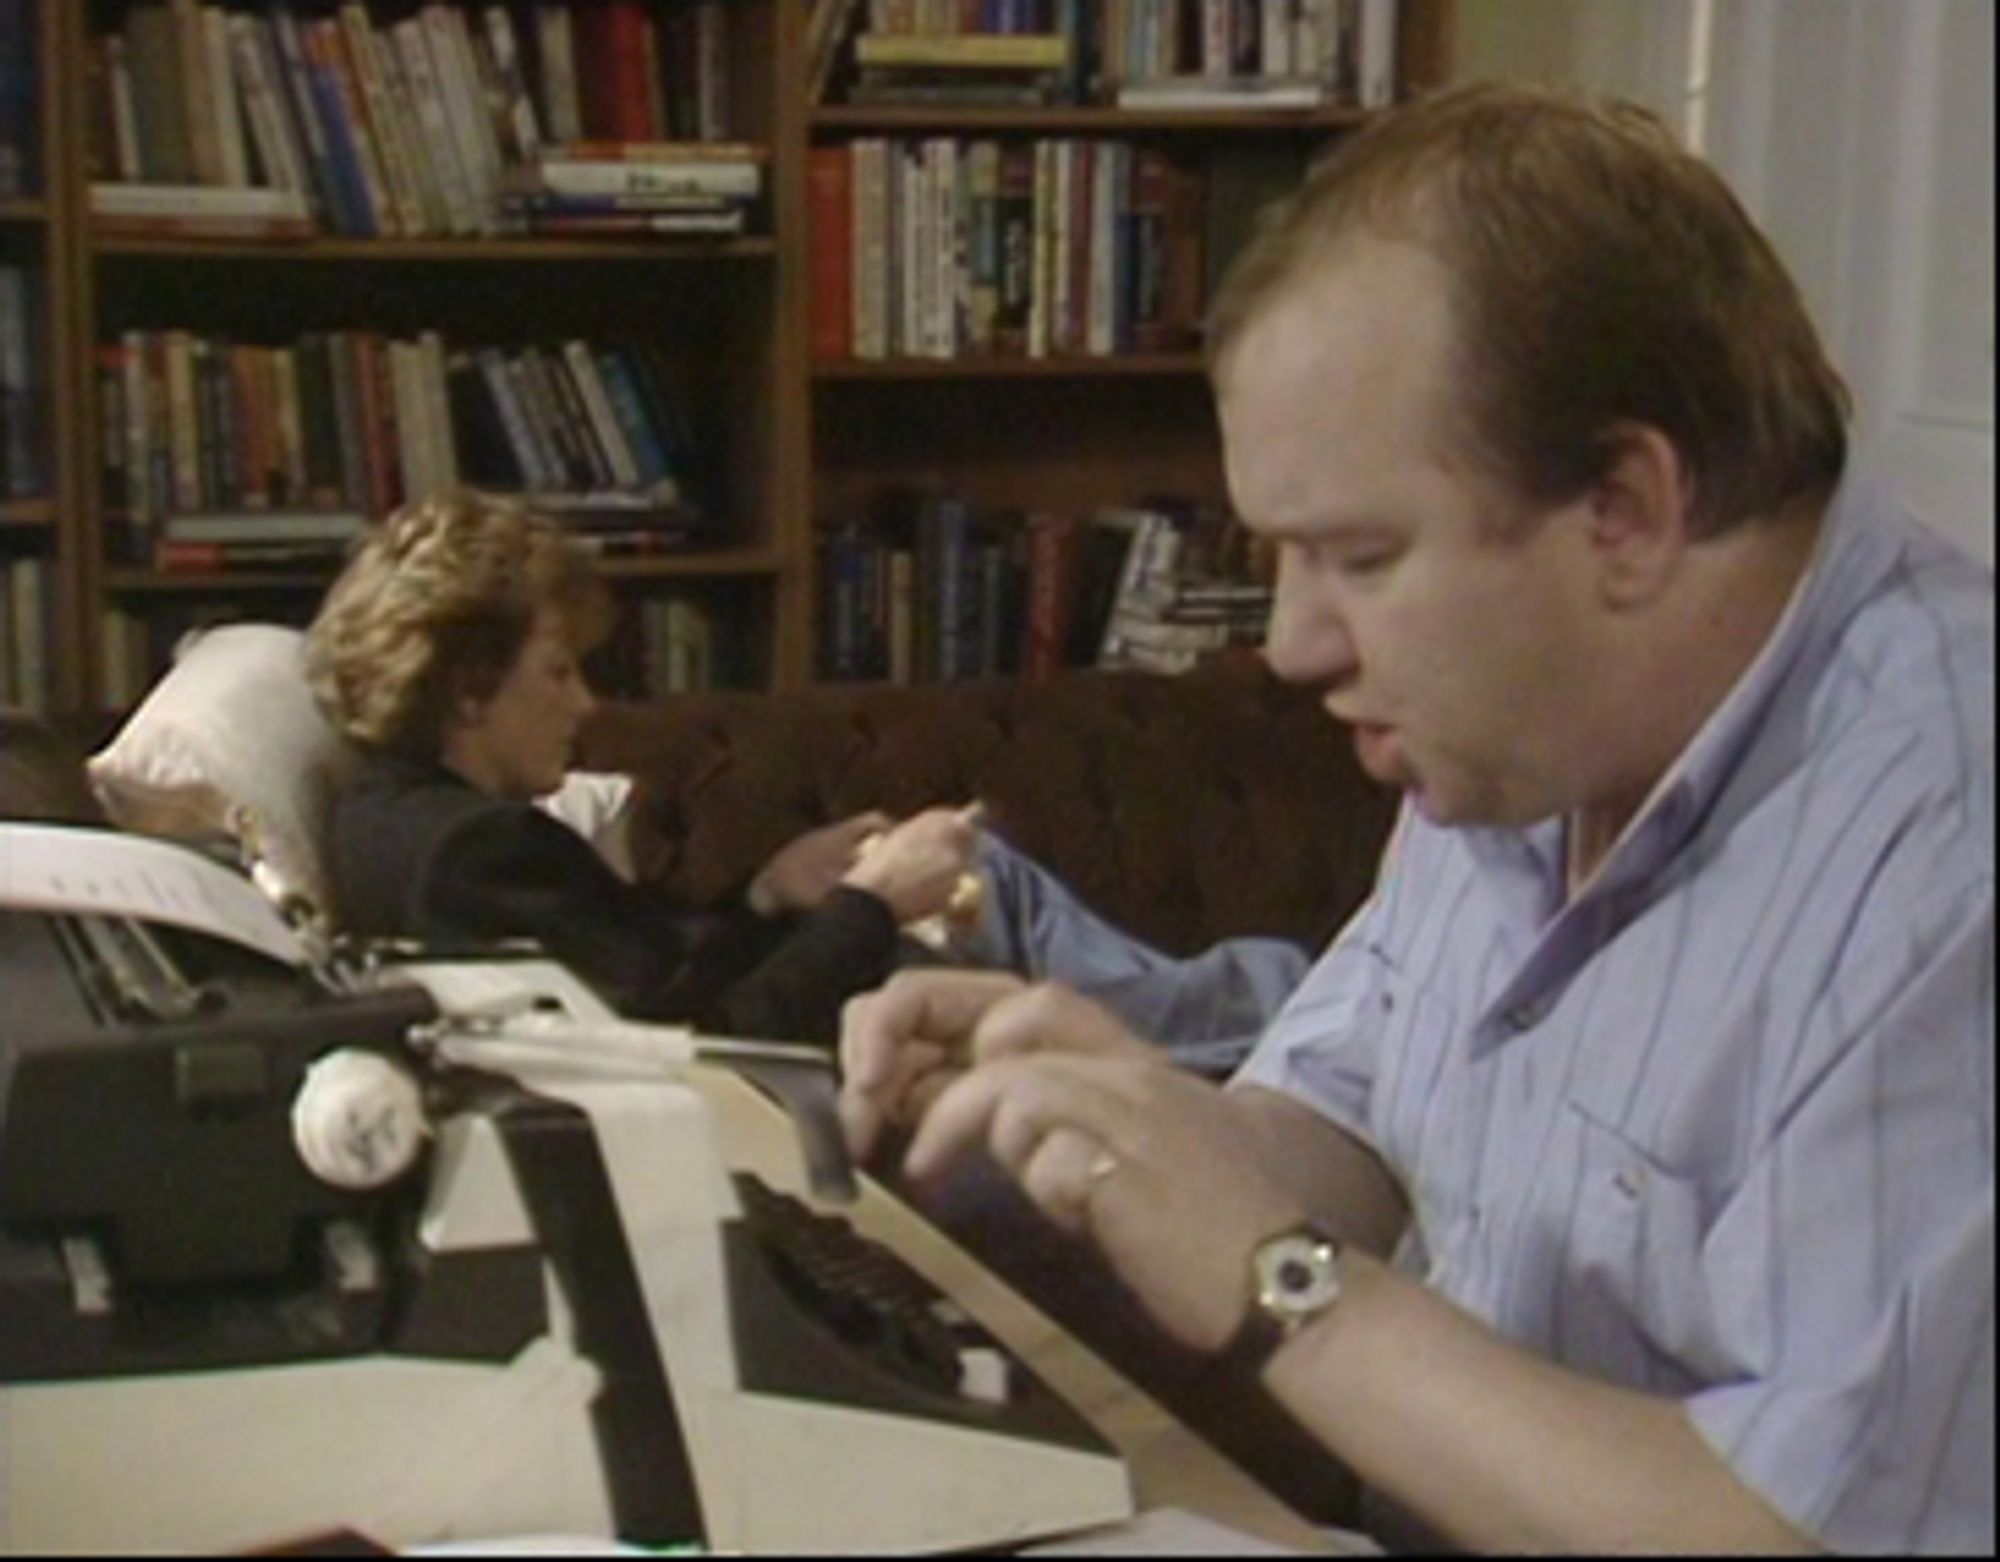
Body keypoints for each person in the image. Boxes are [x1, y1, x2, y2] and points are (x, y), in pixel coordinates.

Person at [838, 82, 1993, 1554]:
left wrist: (1278, 1280)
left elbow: (1795, 1527)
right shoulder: (1512, 740)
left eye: (1360, 555)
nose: (1291, 642)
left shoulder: (1948, 845)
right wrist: (1075, 1127)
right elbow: (1349, 1131)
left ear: (1626, 509)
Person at [307, 491, 1311, 1054]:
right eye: (558, 672)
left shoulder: (414, 819)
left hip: (814, 989)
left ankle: (1290, 1016)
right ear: (472, 689)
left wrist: (769, 890)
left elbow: (662, 971)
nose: (584, 705)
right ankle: (1309, 1017)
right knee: (977, 881)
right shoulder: (468, 852)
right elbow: (702, 1042)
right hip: (821, 1037)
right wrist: (870, 904)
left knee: (980, 870)